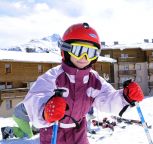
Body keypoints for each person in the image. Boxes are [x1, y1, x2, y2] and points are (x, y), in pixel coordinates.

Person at [1, 22, 144, 143]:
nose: (84, 57)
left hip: (79, 131)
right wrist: (46, 111)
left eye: (91, 52)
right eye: (79, 50)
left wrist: (126, 97)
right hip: (53, 131)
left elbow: (107, 99)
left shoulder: (94, 80)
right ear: (66, 50)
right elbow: (35, 98)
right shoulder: (53, 76)